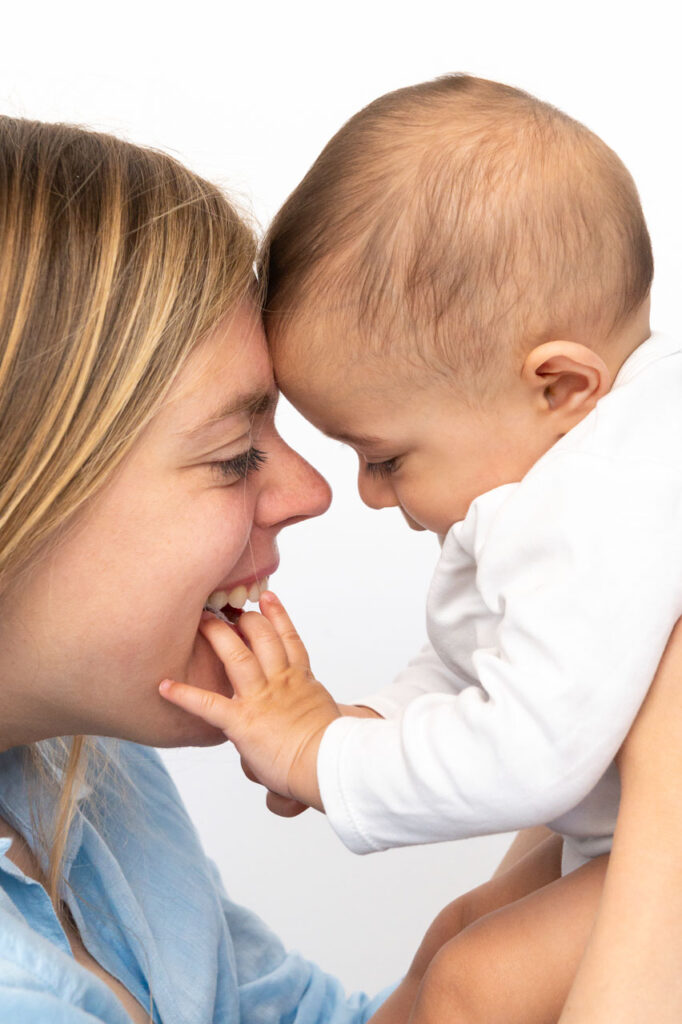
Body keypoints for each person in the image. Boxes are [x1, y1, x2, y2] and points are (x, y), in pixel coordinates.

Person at [0, 107, 680, 1024]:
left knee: (465, 959)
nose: (320, 493)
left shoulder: (83, 781)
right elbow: (494, 685)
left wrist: (337, 753)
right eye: (237, 454)